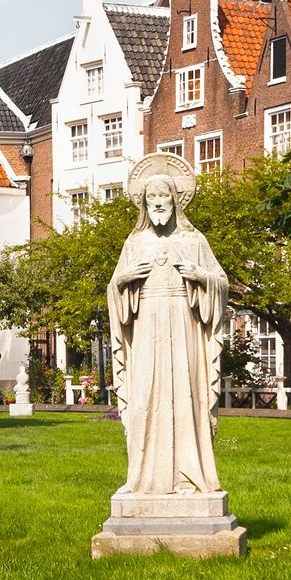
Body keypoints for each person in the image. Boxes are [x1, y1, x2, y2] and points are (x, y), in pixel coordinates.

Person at [107, 154, 230, 496]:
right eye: (151, 199)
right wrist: (124, 280)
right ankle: (145, 477)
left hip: (184, 327)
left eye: (163, 198)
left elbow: (222, 283)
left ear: (176, 201)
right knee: (146, 394)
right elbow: (114, 292)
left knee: (184, 394)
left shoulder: (195, 241)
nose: (158, 204)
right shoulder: (133, 243)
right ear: (143, 205)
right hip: (146, 328)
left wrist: (202, 277)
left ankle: (188, 475)